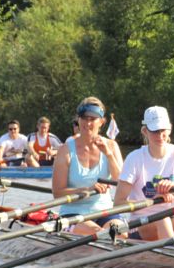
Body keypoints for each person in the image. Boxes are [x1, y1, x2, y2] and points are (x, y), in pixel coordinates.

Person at [113, 106, 174, 240]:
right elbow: (118, 203)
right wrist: (150, 201)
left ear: (170, 128)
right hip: (142, 224)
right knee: (163, 219)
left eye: (163, 130)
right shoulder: (134, 158)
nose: (160, 136)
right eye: (155, 131)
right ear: (145, 131)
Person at [52, 98, 123, 235]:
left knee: (120, 233)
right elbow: (57, 193)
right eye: (84, 118)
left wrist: (108, 154)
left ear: (101, 122)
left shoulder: (112, 146)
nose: (88, 123)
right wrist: (87, 189)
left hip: (105, 211)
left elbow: (121, 182)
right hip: (73, 212)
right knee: (97, 233)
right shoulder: (65, 150)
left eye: (93, 119)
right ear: (78, 120)